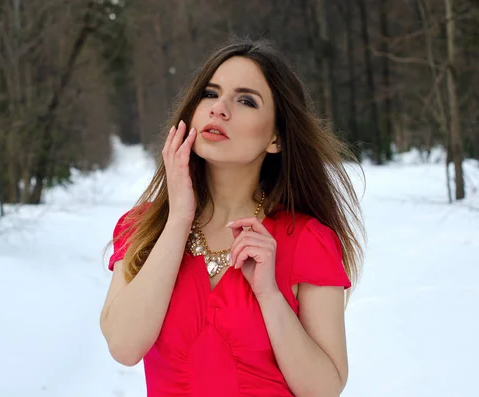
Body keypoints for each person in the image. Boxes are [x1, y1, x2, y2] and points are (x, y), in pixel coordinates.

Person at [100, 36, 365, 397]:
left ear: (276, 138)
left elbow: (324, 389)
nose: (219, 109)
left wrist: (269, 294)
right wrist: (178, 217)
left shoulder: (306, 239)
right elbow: (124, 346)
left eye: (245, 100)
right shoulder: (143, 227)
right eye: (210, 94)